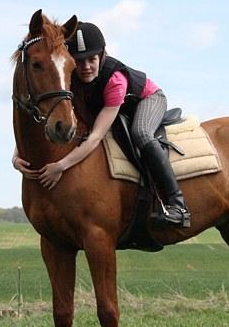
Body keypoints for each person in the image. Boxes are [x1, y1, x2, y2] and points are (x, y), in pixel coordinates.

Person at [12, 21, 190, 228]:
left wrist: (61, 166)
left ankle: (177, 205)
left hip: (147, 99)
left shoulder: (115, 80)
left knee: (141, 133)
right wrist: (16, 157)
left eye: (92, 59)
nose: (86, 67)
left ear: (102, 56)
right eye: (79, 61)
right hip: (109, 105)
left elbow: (95, 137)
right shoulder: (73, 75)